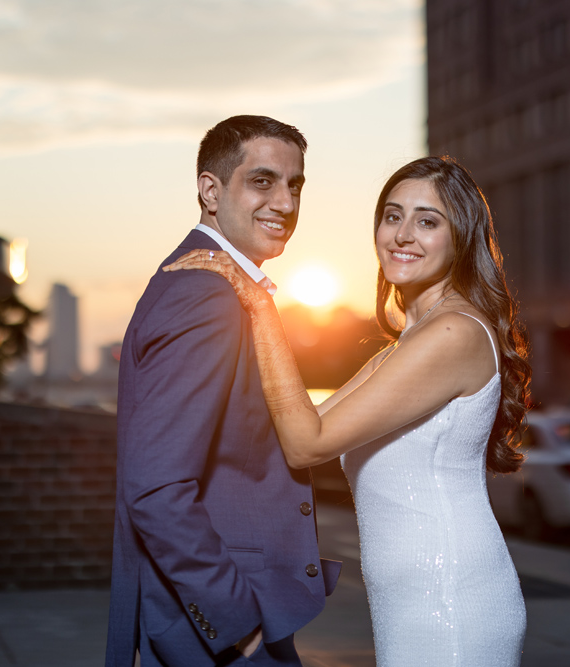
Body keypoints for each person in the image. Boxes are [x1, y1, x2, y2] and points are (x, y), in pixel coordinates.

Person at [166, 156, 531, 666]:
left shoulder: (454, 334)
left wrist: (258, 302)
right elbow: (297, 429)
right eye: (392, 215)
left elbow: (306, 444)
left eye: (428, 221)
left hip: (449, 602)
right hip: (412, 603)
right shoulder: (403, 347)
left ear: (461, 238)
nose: (402, 234)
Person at [105, 115, 340, 667]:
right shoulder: (205, 295)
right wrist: (238, 627)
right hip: (211, 628)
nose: (284, 202)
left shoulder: (211, 285)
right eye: (263, 181)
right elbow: (156, 489)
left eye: (295, 185)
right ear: (211, 190)